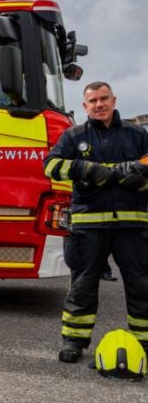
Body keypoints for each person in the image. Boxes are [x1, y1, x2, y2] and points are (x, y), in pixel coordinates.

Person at [43, 81, 148, 363]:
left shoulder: (137, 134)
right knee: (82, 285)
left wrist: (140, 173)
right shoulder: (73, 135)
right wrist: (84, 168)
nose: (99, 105)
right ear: (84, 106)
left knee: (141, 285)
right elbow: (51, 166)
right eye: (93, 101)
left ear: (114, 100)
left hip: (133, 226)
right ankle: (74, 341)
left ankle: (145, 342)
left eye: (104, 99)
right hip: (88, 226)